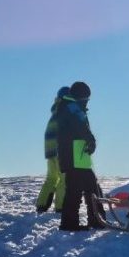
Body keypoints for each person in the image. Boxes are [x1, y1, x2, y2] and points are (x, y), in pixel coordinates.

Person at [56, 81, 105, 231]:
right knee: (76, 188)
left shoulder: (71, 107)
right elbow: (80, 128)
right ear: (81, 96)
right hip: (73, 155)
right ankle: (70, 222)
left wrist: (89, 141)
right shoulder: (72, 108)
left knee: (90, 185)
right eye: (86, 98)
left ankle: (96, 219)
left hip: (78, 155)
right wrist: (91, 140)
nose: (87, 101)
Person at [36, 86, 69, 214]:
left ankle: (42, 204)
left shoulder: (55, 111)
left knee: (51, 177)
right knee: (63, 177)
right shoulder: (64, 110)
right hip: (59, 149)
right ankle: (60, 206)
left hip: (50, 150)